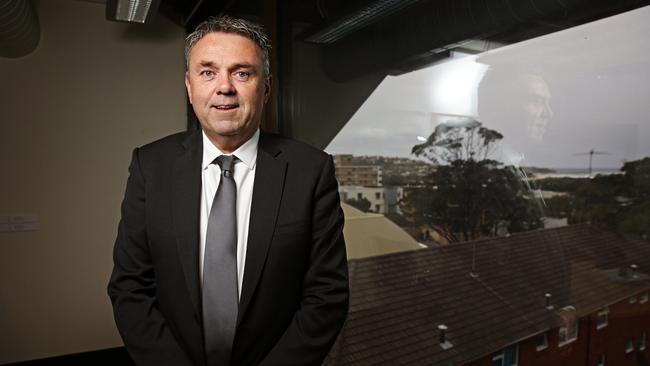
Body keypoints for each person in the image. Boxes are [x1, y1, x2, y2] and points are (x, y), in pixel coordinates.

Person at [108, 15, 349, 366]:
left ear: (265, 88)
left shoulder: (311, 171)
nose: (224, 87)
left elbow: (327, 297)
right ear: (190, 87)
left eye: (241, 73)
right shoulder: (150, 165)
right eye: (208, 72)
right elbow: (130, 288)